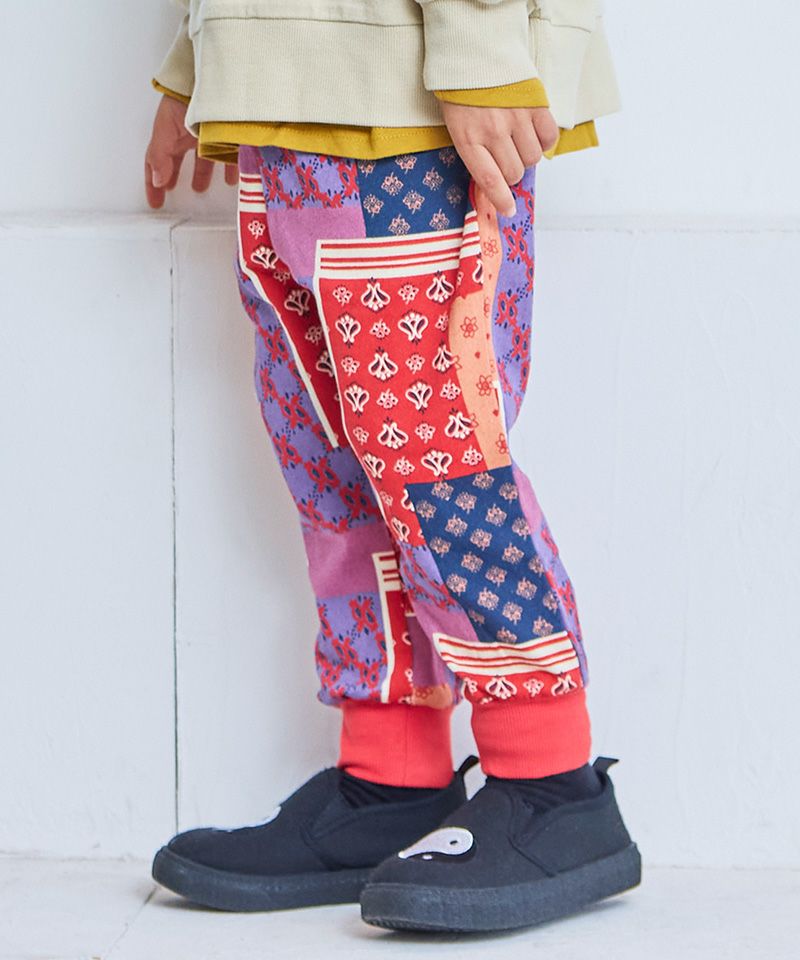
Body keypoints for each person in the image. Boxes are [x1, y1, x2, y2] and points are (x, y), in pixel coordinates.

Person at [145, 0, 640, 933]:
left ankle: (551, 783)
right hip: (283, 97)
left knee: (439, 464)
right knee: (334, 472)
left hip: (409, 96)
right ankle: (393, 780)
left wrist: (480, 36)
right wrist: (203, 56)